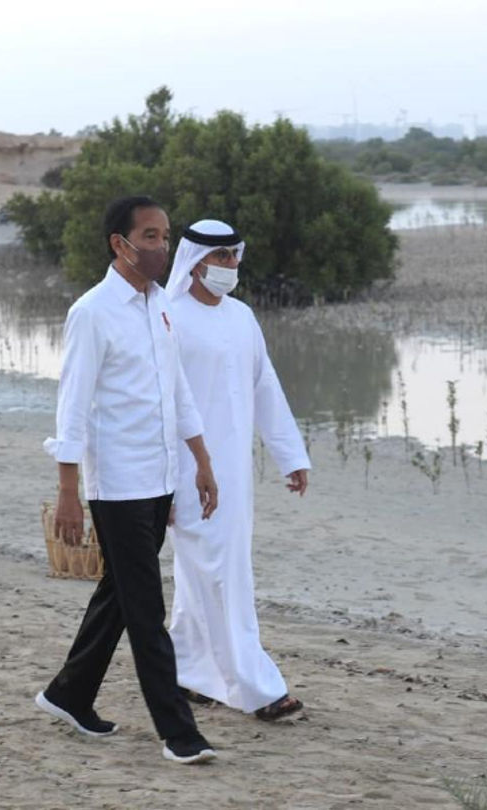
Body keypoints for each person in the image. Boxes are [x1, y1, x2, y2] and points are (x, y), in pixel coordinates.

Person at [35, 195, 220, 764]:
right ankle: (179, 734)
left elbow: (177, 390)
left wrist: (201, 459)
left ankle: (68, 694)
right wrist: (70, 490)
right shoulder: (92, 312)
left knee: (119, 594)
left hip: (160, 474)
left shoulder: (161, 304)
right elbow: (73, 404)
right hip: (116, 484)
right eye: (149, 237)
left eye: (165, 236)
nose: (162, 247)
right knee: (145, 609)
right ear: (120, 244)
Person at [165, 219, 310, 721]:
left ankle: (185, 670)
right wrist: (161, 479)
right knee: (219, 572)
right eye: (222, 256)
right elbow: (157, 405)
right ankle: (257, 687)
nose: (231, 265)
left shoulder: (242, 316)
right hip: (187, 471)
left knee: (207, 572)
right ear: (196, 261)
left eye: (235, 255)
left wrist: (290, 456)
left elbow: (264, 386)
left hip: (235, 473)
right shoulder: (168, 316)